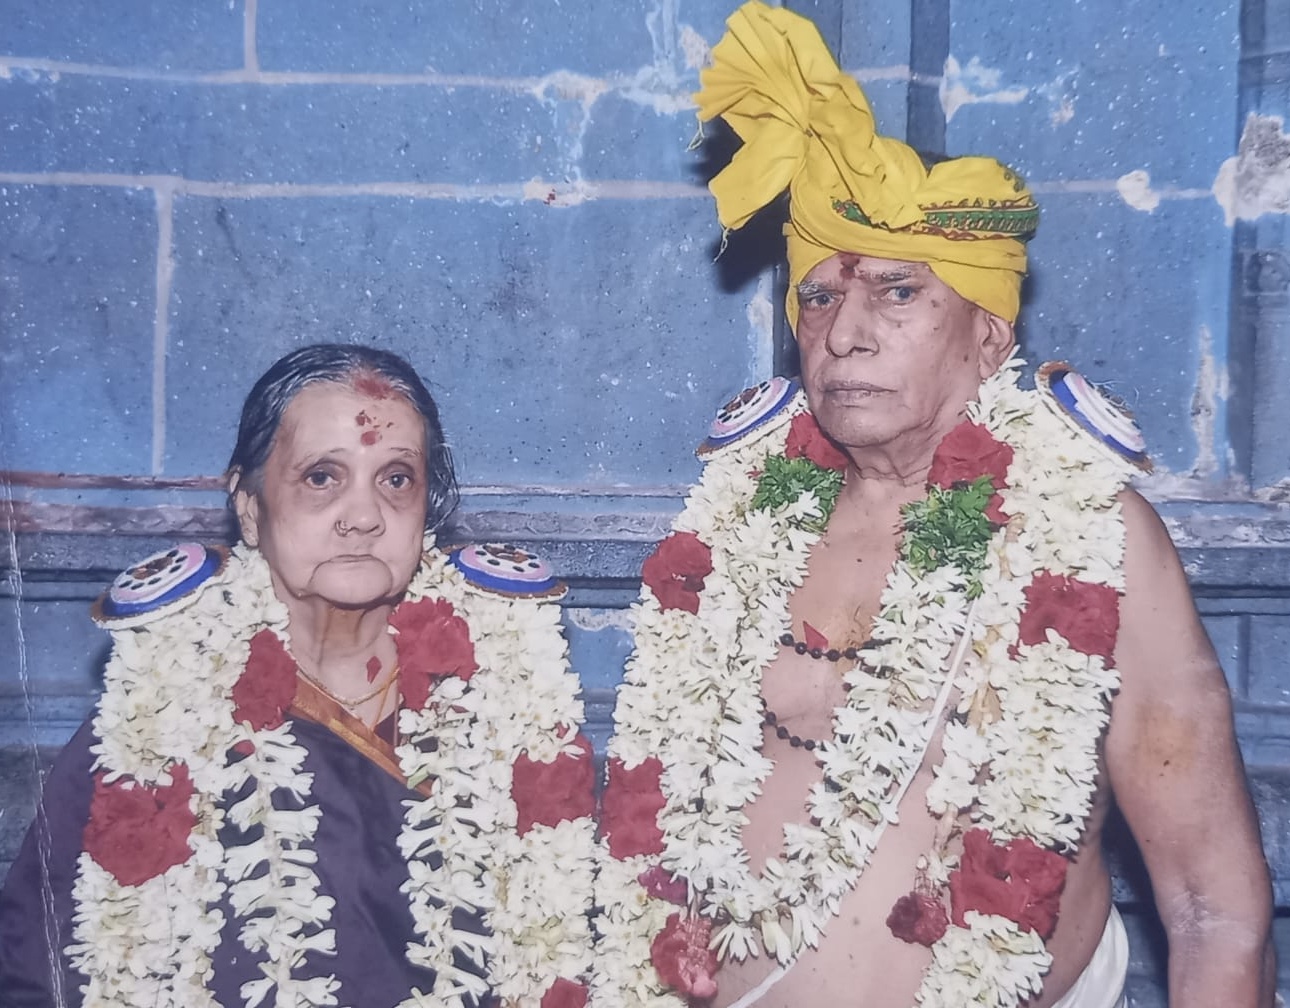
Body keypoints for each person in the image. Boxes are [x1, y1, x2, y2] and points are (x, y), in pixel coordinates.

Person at [593, 5, 1275, 1008]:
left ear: (990, 337)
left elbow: (1214, 910)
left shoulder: (1094, 540)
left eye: (898, 293)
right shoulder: (736, 522)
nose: (846, 332)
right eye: (819, 297)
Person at [0, 344, 598, 1008]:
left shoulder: (508, 707)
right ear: (250, 506)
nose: (363, 516)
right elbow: (39, 971)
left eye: (396, 478)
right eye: (322, 477)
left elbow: (581, 950)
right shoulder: (157, 717)